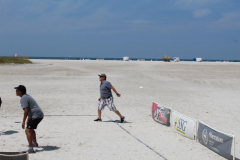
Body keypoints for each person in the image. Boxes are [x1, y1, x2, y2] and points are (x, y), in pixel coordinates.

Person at [15, 85, 44, 153]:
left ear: (20, 91)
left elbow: (26, 110)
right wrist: (29, 119)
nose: (16, 92)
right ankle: (34, 143)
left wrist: (23, 121)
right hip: (38, 114)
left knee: (28, 130)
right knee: (31, 129)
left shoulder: (23, 98)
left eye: (17, 90)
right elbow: (31, 108)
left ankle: (30, 148)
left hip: (36, 115)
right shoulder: (26, 96)